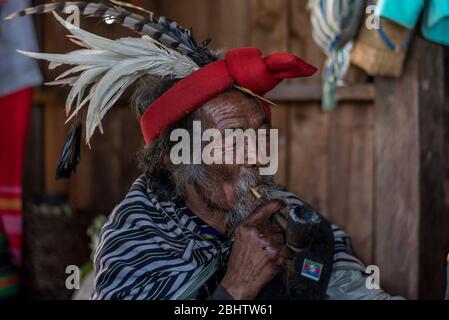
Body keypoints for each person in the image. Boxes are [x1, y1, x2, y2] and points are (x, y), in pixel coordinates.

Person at [7, 1, 402, 300]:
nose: (255, 154)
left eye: (260, 134)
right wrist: (236, 285)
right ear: (175, 155)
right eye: (229, 139)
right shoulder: (137, 241)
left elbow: (357, 292)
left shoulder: (288, 215)